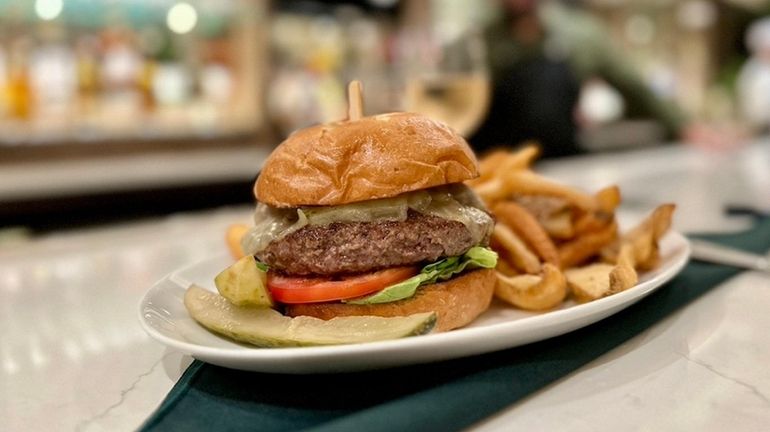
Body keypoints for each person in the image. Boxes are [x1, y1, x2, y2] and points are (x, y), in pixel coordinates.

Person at [471, 0, 688, 158]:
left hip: (565, 168)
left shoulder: (581, 34)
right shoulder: (477, 39)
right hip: (491, 171)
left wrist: (684, 126)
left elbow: (634, 87)